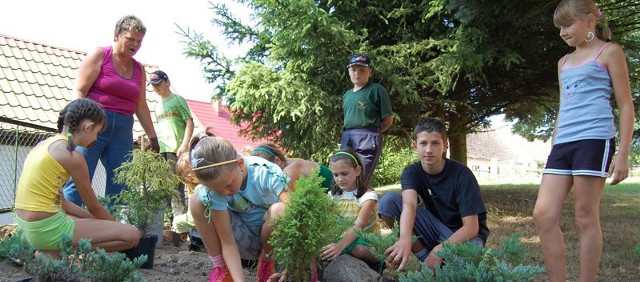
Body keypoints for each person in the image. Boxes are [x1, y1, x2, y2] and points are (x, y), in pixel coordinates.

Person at [533, 1, 634, 281]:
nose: (562, 33)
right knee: (543, 214)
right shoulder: (563, 62)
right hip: (564, 143)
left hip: (593, 140)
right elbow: (564, 106)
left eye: (568, 25)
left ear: (590, 21)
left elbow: (626, 106)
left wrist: (622, 155)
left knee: (585, 216)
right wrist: (554, 144)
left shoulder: (609, 52)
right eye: (559, 28)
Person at [14, 99, 139, 258]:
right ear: (88, 127)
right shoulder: (73, 156)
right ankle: (54, 252)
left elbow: (62, 202)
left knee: (81, 220)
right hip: (46, 228)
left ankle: (48, 252)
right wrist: (112, 225)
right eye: (97, 132)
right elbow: (94, 207)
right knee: (132, 235)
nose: (95, 139)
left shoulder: (43, 145)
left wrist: (96, 222)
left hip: (26, 228)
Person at [63, 15, 159, 206]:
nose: (135, 45)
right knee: (80, 177)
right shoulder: (100, 55)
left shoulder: (139, 69)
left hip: (123, 130)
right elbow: (79, 91)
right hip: (93, 125)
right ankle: (67, 230)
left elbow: (141, 106)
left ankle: (114, 231)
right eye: (130, 39)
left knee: (121, 185)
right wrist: (79, 124)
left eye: (139, 41)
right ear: (117, 35)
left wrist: (153, 137)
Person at [379, 118, 490, 272]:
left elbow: (471, 228)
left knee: (460, 271)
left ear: (445, 145)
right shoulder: (411, 172)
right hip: (436, 228)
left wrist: (439, 250)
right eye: (423, 143)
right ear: (414, 145)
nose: (429, 149)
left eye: (435, 143)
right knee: (388, 202)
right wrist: (405, 238)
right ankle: (425, 258)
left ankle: (438, 260)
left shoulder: (462, 174)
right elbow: (409, 205)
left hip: (466, 237)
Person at [187, 135, 292, 282]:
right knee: (197, 199)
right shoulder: (217, 189)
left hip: (276, 243)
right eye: (219, 190)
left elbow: (296, 217)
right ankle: (223, 272)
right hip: (243, 241)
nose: (225, 193)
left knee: (280, 210)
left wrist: (293, 265)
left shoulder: (265, 173)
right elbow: (228, 241)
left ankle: (266, 264)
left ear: (240, 164)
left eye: (229, 185)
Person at [341, 53, 393, 184]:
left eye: (362, 70)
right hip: (347, 137)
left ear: (370, 71)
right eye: (353, 70)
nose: (357, 73)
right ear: (349, 71)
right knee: (344, 176)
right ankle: (345, 204)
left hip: (369, 136)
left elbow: (388, 119)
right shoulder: (346, 95)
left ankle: (363, 203)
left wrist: (373, 134)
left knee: (361, 179)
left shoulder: (377, 90)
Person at [321, 150, 379, 266]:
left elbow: (359, 225)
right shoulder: (333, 195)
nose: (340, 179)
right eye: (336, 175)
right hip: (343, 237)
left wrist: (340, 246)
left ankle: (384, 263)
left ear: (357, 170)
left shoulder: (368, 196)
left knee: (359, 250)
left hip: (366, 239)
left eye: (344, 174)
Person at [150, 70, 194, 218]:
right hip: (162, 150)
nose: (156, 88)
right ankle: (167, 222)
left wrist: (184, 145)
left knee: (176, 187)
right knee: (163, 187)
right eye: (153, 85)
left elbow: (189, 122)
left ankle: (179, 223)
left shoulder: (178, 99)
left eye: (158, 84)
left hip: (176, 149)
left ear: (167, 82)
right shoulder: (156, 106)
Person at [251, 142, 333, 191]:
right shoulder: (290, 162)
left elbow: (288, 201)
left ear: (277, 160)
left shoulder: (289, 171)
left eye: (265, 169)